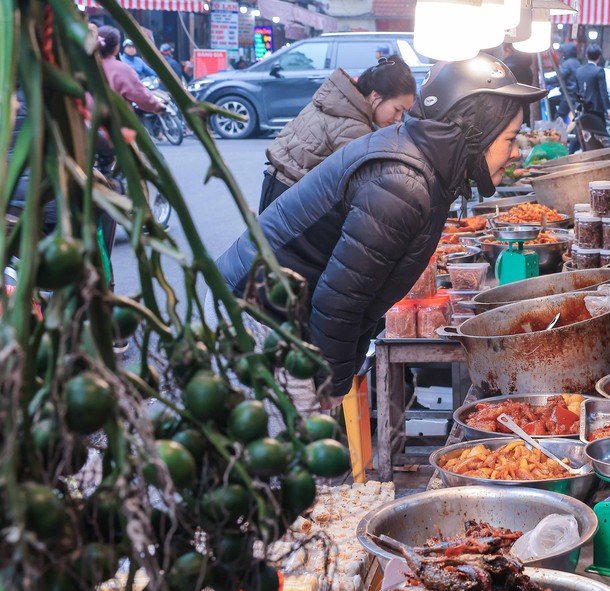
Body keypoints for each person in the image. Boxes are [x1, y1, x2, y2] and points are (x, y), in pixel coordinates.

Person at [215, 56, 546, 406]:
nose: (514, 154)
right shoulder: (403, 184)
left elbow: (359, 297)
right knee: (286, 450)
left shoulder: (427, 167)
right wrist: (332, 387)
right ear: (477, 131)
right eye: (510, 139)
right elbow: (340, 301)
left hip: (290, 315)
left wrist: (339, 374)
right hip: (257, 313)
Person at [258, 56, 417, 213]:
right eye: (397, 109)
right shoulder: (354, 127)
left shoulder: (339, 100)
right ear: (375, 96)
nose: (398, 118)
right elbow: (360, 188)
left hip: (276, 185)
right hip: (288, 201)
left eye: (403, 112)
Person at [98, 27, 165, 114]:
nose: (131, 49)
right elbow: (140, 94)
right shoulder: (122, 67)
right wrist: (157, 106)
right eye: (129, 47)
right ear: (117, 48)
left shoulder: (86, 65)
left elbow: (150, 72)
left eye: (133, 47)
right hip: (117, 119)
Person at [556, 42, 581, 119]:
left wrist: (545, 81)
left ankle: (555, 129)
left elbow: (559, 77)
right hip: (574, 95)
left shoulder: (567, 64)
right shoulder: (577, 62)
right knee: (551, 101)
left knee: (558, 117)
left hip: (568, 95)